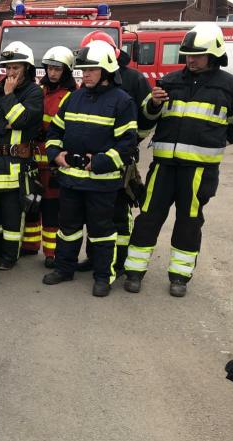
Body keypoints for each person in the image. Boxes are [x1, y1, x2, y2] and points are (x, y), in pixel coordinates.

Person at [122, 23, 233, 297]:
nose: (190, 60)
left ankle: (179, 277)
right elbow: (146, 121)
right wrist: (153, 104)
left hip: (199, 170)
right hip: (163, 167)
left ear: (214, 54)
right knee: (148, 218)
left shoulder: (231, 86)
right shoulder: (169, 81)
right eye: (187, 55)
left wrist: (218, 140)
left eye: (197, 55)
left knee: (189, 222)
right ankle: (134, 271)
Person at [41, 41, 138, 297]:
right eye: (83, 70)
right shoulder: (74, 98)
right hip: (71, 180)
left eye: (91, 70)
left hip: (102, 183)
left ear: (106, 71)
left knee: (101, 232)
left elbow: (127, 144)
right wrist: (55, 154)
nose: (85, 75)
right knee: (68, 229)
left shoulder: (122, 102)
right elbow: (54, 132)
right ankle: (64, 268)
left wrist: (99, 162)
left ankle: (103, 276)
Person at [75, 31, 152, 274]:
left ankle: (120, 262)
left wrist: (130, 144)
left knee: (119, 213)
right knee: (96, 215)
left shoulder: (134, 79)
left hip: (120, 159)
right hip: (94, 161)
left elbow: (147, 120)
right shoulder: (93, 78)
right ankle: (96, 258)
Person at [0, 41, 43, 270]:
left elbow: (23, 120)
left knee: (13, 216)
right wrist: (2, 125)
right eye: (8, 67)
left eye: (16, 67)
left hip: (17, 165)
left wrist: (9, 96)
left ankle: (9, 255)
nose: (11, 72)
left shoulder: (34, 92)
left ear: (27, 68)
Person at [22, 46, 77, 269]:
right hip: (34, 156)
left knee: (52, 207)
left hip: (54, 160)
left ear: (66, 70)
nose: (52, 73)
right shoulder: (39, 90)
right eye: (50, 68)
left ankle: (51, 252)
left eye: (58, 69)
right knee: (32, 202)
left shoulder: (71, 96)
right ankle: (30, 245)